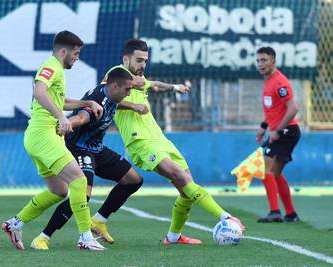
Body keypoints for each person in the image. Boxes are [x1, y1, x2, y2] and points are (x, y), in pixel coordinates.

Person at [101, 39, 244, 245]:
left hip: (159, 138)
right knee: (178, 175)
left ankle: (173, 237)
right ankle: (225, 217)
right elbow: (103, 96)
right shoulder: (116, 74)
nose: (143, 65)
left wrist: (175, 86)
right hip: (140, 141)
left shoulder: (139, 77)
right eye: (138, 60)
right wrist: (132, 106)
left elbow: (155, 86)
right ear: (126, 59)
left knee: (187, 187)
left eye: (145, 61)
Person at [1, 30, 106, 251]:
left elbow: (57, 100)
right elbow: (39, 92)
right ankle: (85, 237)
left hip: (40, 137)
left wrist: (86, 104)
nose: (77, 57)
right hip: (43, 135)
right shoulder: (51, 66)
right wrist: (60, 117)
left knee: (59, 190)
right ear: (64, 50)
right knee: (79, 181)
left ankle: (15, 224)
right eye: (76, 53)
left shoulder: (57, 69)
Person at [30, 68, 143, 250]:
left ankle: (98, 220)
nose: (129, 93)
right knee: (83, 194)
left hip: (97, 149)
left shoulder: (112, 95)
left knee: (134, 180)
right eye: (127, 90)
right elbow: (82, 117)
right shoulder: (97, 101)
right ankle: (43, 237)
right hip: (80, 149)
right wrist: (67, 124)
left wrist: (132, 106)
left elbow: (114, 103)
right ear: (114, 86)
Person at [255, 47, 301, 223]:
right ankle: (290, 214)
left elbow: (293, 109)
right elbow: (274, 110)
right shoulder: (268, 81)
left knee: (266, 169)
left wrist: (277, 131)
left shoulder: (280, 82)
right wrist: (263, 126)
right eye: (258, 60)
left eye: (264, 60)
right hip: (282, 131)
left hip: (287, 132)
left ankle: (275, 212)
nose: (260, 64)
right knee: (275, 173)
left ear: (273, 61)